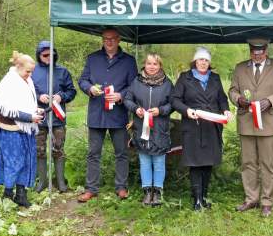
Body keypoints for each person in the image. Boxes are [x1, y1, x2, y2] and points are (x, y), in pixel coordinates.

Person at [228, 37, 273, 217]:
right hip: (246, 121)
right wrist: (238, 99)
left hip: (268, 123)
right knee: (248, 162)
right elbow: (232, 90)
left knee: (267, 163)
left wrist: (269, 101)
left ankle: (266, 201)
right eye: (254, 53)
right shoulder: (240, 68)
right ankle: (251, 198)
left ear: (266, 51)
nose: (257, 56)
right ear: (250, 51)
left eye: (260, 53)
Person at [77, 28, 138, 202]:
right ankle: (91, 189)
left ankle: (121, 187)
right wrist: (89, 88)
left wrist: (121, 95)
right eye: (105, 39)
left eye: (112, 39)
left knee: (121, 153)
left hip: (119, 115)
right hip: (97, 113)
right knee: (93, 153)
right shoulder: (93, 58)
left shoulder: (128, 61)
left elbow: (134, 85)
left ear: (119, 40)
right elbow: (82, 80)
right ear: (102, 40)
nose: (109, 42)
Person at [171, 47, 232, 211]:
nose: (203, 63)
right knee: (195, 163)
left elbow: (222, 99)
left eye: (206, 60)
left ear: (209, 62)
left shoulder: (216, 78)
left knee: (208, 162)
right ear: (195, 61)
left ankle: (204, 197)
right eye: (200, 59)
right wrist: (186, 110)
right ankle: (197, 200)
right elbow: (175, 100)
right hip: (193, 126)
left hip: (212, 126)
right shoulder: (185, 78)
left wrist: (225, 110)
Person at [0, 51, 43, 207]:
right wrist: (29, 117)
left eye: (31, 71)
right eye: (27, 71)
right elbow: (3, 109)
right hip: (10, 129)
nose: (29, 74)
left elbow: (27, 104)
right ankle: (7, 194)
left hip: (26, 129)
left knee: (26, 160)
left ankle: (21, 195)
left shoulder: (27, 81)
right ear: (18, 67)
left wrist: (36, 111)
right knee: (13, 161)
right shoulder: (9, 82)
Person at [124, 53, 173, 206]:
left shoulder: (167, 84)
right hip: (141, 128)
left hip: (160, 129)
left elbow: (173, 103)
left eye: (155, 64)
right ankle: (146, 192)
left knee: (159, 161)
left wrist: (161, 110)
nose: (152, 67)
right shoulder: (136, 82)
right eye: (149, 63)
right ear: (144, 65)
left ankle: (157, 193)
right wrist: (136, 109)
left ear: (160, 66)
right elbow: (127, 99)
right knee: (144, 161)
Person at [32, 41, 77, 193]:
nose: (49, 57)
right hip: (38, 118)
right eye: (45, 55)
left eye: (52, 54)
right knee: (39, 150)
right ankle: (42, 182)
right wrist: (39, 97)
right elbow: (26, 93)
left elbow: (72, 91)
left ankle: (60, 182)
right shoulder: (32, 71)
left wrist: (61, 97)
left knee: (58, 149)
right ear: (39, 55)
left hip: (58, 119)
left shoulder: (63, 71)